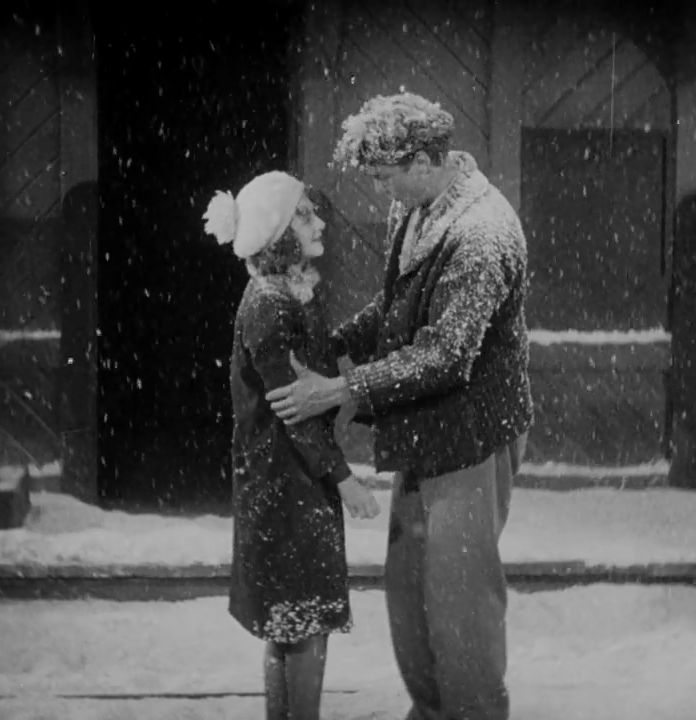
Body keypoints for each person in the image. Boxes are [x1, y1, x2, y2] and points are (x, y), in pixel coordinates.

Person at [265, 94, 533, 720]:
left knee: (459, 605)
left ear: (420, 158)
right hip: (423, 429)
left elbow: (445, 354)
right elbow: (392, 310)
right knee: (409, 596)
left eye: (384, 174)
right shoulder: (410, 208)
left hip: (472, 436)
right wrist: (330, 350)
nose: (378, 186)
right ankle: (435, 712)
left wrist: (340, 391)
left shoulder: (481, 235)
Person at [203, 171, 381, 720]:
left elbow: (320, 363)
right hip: (288, 490)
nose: (319, 221)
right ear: (278, 235)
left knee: (290, 624)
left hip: (290, 483)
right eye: (304, 216)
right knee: (303, 626)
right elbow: (293, 410)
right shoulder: (269, 307)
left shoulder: (289, 295)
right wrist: (344, 479)